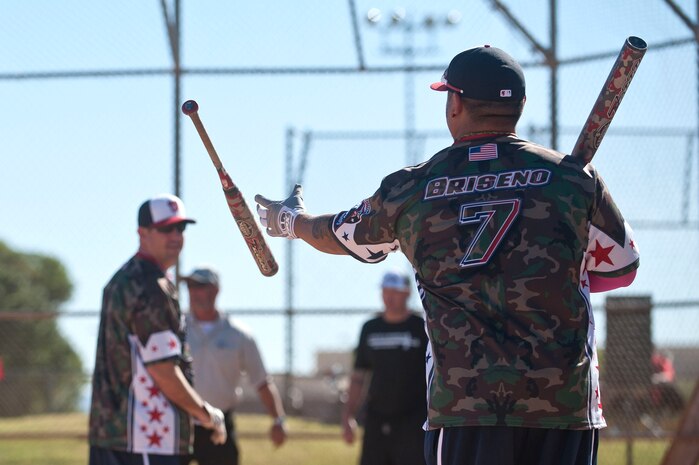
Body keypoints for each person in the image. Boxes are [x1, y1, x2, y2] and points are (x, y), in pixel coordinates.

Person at [254, 45, 640, 465]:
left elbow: (340, 235)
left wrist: (289, 221)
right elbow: (622, 270)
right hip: (565, 407)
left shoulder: (412, 189)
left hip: (464, 408)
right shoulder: (572, 180)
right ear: (521, 105)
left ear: (455, 102)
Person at [89, 194, 227, 465]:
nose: (175, 236)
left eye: (181, 228)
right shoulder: (151, 286)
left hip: (116, 435)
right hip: (145, 438)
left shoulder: (124, 278)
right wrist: (206, 414)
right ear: (142, 233)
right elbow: (162, 369)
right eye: (166, 229)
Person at [181, 266, 287, 465]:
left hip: (218, 423)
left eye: (200, 286)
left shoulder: (238, 334)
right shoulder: (175, 327)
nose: (194, 292)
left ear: (215, 290)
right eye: (190, 286)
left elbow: (261, 381)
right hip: (179, 424)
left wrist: (277, 420)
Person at [342, 270, 428, 465]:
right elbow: (358, 376)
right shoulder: (370, 328)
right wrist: (348, 416)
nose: (389, 296)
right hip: (376, 418)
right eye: (385, 291)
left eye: (395, 291)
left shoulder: (421, 327)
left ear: (406, 293)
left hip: (414, 418)